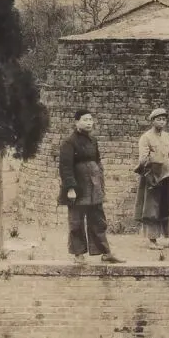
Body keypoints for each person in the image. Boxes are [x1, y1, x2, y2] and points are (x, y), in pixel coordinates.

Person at [58, 110, 123, 265]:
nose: (89, 123)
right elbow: (65, 167)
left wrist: (100, 182)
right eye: (85, 120)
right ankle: (78, 254)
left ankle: (106, 253)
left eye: (90, 120)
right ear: (76, 122)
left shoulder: (93, 140)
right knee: (76, 221)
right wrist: (70, 188)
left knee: (98, 220)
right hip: (78, 189)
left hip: (94, 187)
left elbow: (98, 161)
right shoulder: (69, 142)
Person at [134, 108, 169, 248]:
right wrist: (154, 167)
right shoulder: (146, 137)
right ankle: (152, 240)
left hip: (166, 176)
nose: (162, 122)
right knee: (152, 207)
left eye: (164, 119)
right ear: (152, 121)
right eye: (159, 119)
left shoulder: (166, 136)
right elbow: (143, 159)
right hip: (152, 176)